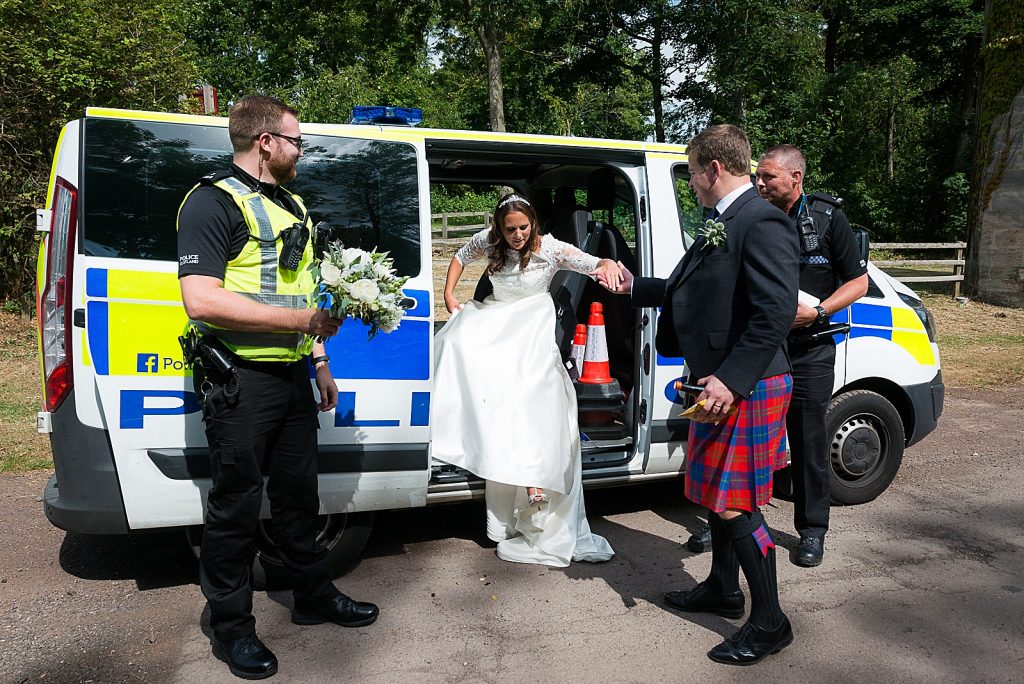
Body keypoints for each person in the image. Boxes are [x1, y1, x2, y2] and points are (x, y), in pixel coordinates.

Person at [177, 94, 378, 680]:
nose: (301, 152)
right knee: (235, 510)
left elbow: (306, 289)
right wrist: (302, 325)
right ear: (266, 142)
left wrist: (319, 361)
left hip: (292, 376)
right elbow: (201, 299)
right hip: (240, 380)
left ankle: (314, 596)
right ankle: (232, 629)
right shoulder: (212, 201)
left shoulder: (291, 203)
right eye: (297, 141)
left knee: (298, 500)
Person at [608, 124, 799, 665]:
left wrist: (732, 379)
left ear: (712, 168)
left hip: (747, 384)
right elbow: (689, 287)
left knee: (737, 504)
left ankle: (770, 622)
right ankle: (722, 586)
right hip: (721, 380)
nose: (690, 184)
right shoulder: (723, 221)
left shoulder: (760, 221)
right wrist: (631, 285)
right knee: (718, 497)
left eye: (691, 174)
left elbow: (775, 313)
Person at [432, 194, 618, 568]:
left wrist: (609, 263)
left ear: (533, 223)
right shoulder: (488, 241)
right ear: (500, 229)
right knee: (453, 340)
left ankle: (532, 474)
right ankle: (451, 430)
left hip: (532, 322)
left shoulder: (550, 248)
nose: (517, 235)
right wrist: (450, 295)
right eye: (510, 229)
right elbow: (458, 258)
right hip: (497, 316)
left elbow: (591, 262)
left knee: (526, 386)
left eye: (523, 227)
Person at [755, 144, 869, 567]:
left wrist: (818, 311)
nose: (760, 183)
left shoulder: (826, 218)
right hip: (760, 348)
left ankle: (812, 531)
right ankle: (733, 522)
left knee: (808, 438)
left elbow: (857, 282)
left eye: (768, 177)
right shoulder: (750, 213)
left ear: (795, 179)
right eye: (757, 176)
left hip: (810, 347)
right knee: (748, 437)